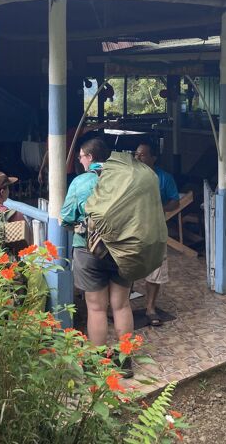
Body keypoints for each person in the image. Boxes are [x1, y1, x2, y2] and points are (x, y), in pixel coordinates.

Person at [60, 138, 135, 377]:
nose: (79, 160)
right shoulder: (126, 178)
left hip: (88, 250)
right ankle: (125, 361)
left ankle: (99, 362)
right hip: (123, 249)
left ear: (90, 157)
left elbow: (66, 217)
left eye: (81, 156)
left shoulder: (81, 182)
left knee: (96, 308)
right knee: (122, 305)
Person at [134, 140, 180, 327]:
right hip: (132, 229)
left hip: (155, 230)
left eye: (143, 155)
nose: (138, 157)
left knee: (156, 269)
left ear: (153, 158)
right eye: (136, 154)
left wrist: (159, 209)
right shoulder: (130, 176)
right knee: (124, 268)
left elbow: (175, 201)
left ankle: (150, 307)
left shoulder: (164, 178)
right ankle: (118, 306)